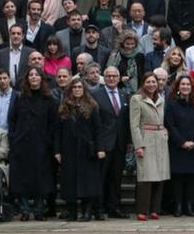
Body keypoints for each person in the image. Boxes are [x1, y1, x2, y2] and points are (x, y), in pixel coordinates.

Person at [8, 67, 58, 221]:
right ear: (27, 79)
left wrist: (48, 140)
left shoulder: (50, 100)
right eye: (31, 75)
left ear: (42, 79)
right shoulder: (20, 98)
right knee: (22, 178)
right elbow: (13, 119)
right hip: (22, 144)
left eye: (37, 75)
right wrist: (15, 138)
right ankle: (24, 210)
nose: (34, 77)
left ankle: (39, 210)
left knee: (40, 179)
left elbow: (53, 123)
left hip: (41, 145)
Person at [54, 77, 105, 221]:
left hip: (87, 150)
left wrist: (100, 148)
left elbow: (98, 129)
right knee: (69, 182)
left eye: (79, 87)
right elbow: (57, 131)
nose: (77, 90)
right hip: (68, 149)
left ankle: (87, 211)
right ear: (70, 90)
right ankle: (72, 211)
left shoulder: (92, 106)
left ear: (84, 90)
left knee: (88, 182)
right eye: (74, 87)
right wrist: (57, 151)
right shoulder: (64, 107)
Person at [129, 73, 170, 221]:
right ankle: (142, 210)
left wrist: (165, 132)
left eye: (154, 81)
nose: (152, 84)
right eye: (148, 82)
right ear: (143, 83)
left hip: (160, 140)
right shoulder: (137, 99)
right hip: (146, 139)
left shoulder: (161, 99)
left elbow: (163, 120)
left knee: (159, 175)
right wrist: (138, 145)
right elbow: (134, 125)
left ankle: (155, 209)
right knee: (145, 176)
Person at [90, 66, 130, 219]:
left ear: (119, 78)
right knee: (101, 177)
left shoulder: (124, 95)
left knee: (116, 177)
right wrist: (98, 145)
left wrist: (128, 142)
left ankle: (113, 207)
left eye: (114, 76)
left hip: (119, 143)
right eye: (108, 76)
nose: (112, 78)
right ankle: (98, 209)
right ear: (103, 78)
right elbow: (95, 123)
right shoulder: (95, 95)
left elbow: (125, 121)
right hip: (103, 144)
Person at [164, 75, 194, 217]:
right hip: (177, 147)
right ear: (177, 87)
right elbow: (170, 124)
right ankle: (178, 206)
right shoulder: (171, 103)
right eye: (183, 84)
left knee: (192, 178)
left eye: (188, 84)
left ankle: (189, 206)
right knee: (178, 178)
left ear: (192, 86)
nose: (185, 87)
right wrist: (181, 142)